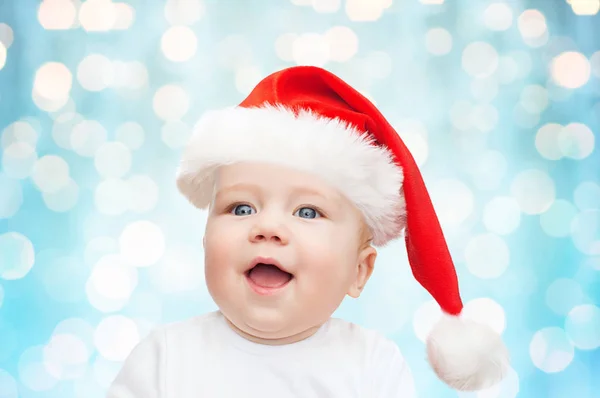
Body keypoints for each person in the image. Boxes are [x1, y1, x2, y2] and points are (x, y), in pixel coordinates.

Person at [106, 66, 509, 397]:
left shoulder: (371, 365)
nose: (267, 227)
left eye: (308, 211)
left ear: (360, 271)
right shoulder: (164, 358)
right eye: (241, 207)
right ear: (204, 240)